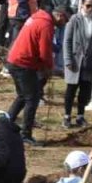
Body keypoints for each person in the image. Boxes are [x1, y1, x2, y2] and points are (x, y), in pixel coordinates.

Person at [6, 8, 56, 145]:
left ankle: (6, 124)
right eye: (65, 19)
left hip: (14, 60)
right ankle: (25, 134)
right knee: (32, 98)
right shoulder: (46, 24)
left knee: (23, 96)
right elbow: (44, 51)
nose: (64, 22)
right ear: (59, 15)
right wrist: (49, 67)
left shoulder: (37, 17)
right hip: (23, 63)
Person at [62, 0, 92, 128]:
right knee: (71, 89)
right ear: (82, 5)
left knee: (85, 90)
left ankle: (80, 116)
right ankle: (67, 116)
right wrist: (68, 59)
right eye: (88, 6)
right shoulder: (74, 19)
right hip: (75, 60)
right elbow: (67, 41)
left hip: (90, 61)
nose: (90, 9)